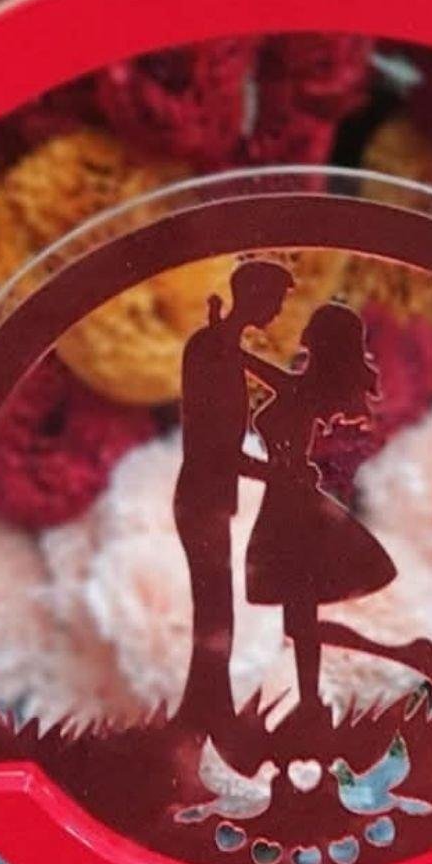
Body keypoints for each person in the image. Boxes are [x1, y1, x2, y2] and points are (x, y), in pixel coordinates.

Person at [244, 302, 432, 726]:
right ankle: (402, 654)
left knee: (297, 621)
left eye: (309, 340)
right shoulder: (303, 387)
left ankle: (318, 696)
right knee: (297, 622)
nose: (302, 344)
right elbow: (270, 376)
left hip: (292, 507)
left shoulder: (304, 394)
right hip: (284, 503)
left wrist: (243, 466)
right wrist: (230, 348)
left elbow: (284, 456)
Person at [173, 259, 294, 728]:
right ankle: (206, 712)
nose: (278, 312)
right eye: (275, 301)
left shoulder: (223, 347)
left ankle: (209, 707)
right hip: (201, 495)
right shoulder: (209, 349)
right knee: (214, 611)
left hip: (213, 496)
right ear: (256, 297)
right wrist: (274, 473)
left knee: (217, 608)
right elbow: (214, 445)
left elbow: (282, 384)